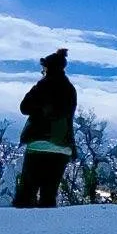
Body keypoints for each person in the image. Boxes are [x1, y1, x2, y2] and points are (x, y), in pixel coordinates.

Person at [13, 49, 77, 208]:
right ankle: (45, 230)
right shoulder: (70, 89)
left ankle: (19, 230)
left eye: (43, 69)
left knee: (27, 192)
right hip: (62, 146)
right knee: (49, 194)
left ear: (48, 68)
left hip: (39, 144)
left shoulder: (42, 86)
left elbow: (24, 107)